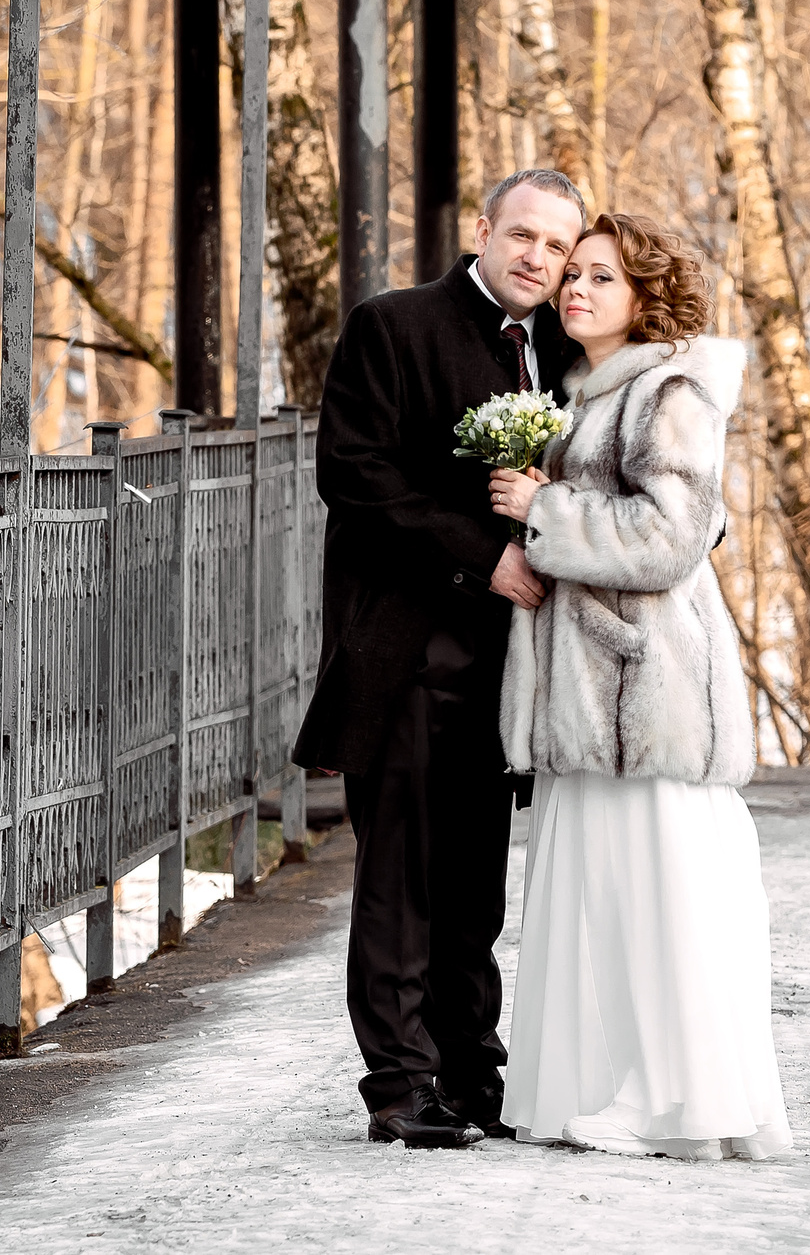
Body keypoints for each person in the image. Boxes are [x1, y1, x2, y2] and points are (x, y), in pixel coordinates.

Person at [488, 211, 793, 1161]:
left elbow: (668, 540)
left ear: (648, 298)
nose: (575, 287)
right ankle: (611, 1084)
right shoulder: (585, 389)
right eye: (573, 273)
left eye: (603, 278)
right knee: (602, 901)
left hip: (646, 689)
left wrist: (546, 508)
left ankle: (671, 1098)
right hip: (589, 697)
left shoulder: (670, 392)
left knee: (663, 901)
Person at [293, 167, 586, 1149]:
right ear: (484, 231)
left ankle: (470, 1069)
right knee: (401, 879)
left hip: (516, 665)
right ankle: (400, 1082)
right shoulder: (395, 325)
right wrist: (483, 559)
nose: (537, 258)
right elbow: (356, 477)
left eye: (556, 246)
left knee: (474, 884)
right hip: (409, 645)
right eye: (523, 236)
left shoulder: (563, 347)